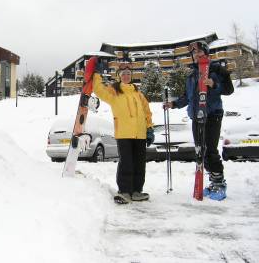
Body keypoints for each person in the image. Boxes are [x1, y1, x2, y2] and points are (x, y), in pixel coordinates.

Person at [164, 40, 227, 201]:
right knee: (200, 150)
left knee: (211, 149)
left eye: (199, 52)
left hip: (212, 114)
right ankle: (212, 181)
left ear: (206, 53)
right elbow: (188, 96)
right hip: (196, 116)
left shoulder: (216, 69)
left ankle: (220, 183)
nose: (197, 55)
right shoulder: (192, 75)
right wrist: (173, 104)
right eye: (194, 53)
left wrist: (214, 84)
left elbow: (229, 89)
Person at [92, 61, 154, 204]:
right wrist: (97, 74)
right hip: (124, 133)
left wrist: (149, 128)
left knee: (139, 163)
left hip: (140, 134)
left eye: (128, 74)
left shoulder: (138, 93)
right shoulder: (114, 92)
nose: (126, 76)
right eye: (123, 74)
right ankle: (124, 191)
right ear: (119, 76)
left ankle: (137, 191)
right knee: (126, 163)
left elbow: (147, 112)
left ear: (131, 76)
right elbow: (98, 89)